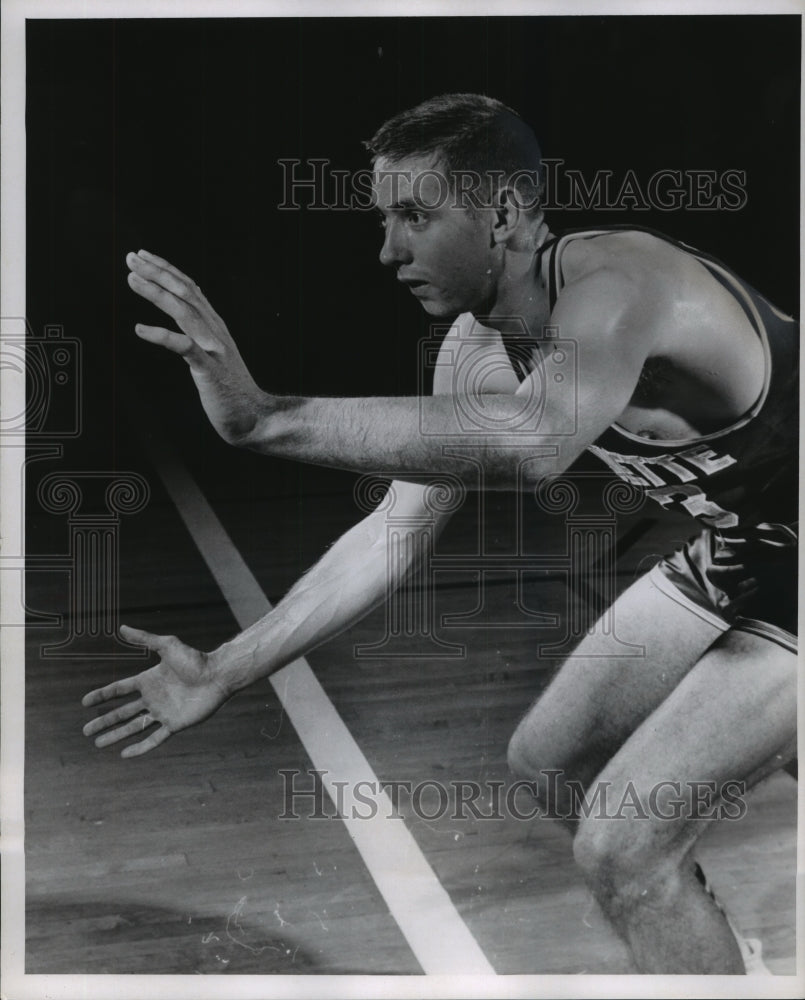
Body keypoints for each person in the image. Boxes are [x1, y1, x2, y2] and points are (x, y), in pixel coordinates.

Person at [82, 94, 798, 975]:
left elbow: (534, 442)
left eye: (414, 217)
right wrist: (227, 668)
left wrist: (266, 420)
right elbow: (397, 529)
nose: (387, 250)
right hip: (747, 546)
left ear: (500, 215)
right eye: (383, 218)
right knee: (548, 760)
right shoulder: (477, 345)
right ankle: (716, 950)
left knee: (620, 847)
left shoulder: (619, 286)